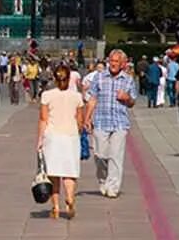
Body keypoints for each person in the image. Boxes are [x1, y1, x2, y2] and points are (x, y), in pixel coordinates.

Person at [82, 49, 136, 198]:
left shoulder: (128, 80)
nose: (112, 64)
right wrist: (87, 118)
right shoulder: (99, 77)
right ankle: (103, 179)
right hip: (100, 121)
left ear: (123, 64)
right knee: (100, 155)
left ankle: (113, 187)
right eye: (111, 61)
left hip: (119, 123)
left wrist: (126, 98)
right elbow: (92, 99)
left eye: (116, 62)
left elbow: (132, 102)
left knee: (116, 156)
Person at [37, 64, 86, 220]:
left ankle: (56, 207)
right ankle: (70, 198)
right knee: (69, 173)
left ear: (54, 77)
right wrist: (78, 132)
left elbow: (43, 119)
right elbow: (80, 120)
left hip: (52, 137)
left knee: (54, 174)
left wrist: (40, 139)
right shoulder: (77, 96)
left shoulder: (47, 95)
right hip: (71, 137)